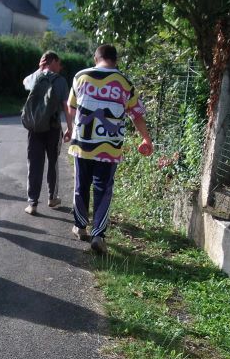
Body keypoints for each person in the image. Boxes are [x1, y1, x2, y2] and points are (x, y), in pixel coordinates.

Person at [65, 44, 153, 254]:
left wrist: (70, 128)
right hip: (110, 148)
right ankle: (98, 235)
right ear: (115, 60)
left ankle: (80, 226)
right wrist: (146, 139)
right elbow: (137, 115)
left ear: (96, 58)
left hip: (83, 144)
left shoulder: (80, 76)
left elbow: (71, 106)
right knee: (103, 190)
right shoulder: (125, 82)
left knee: (81, 185)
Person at [22, 50, 70, 215]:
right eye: (59, 63)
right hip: (53, 128)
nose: (61, 66)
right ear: (52, 62)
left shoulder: (35, 77)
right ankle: (52, 197)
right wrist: (69, 127)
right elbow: (66, 106)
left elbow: (24, 82)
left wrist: (41, 68)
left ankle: (32, 203)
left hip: (34, 128)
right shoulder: (61, 81)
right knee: (53, 163)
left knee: (34, 164)